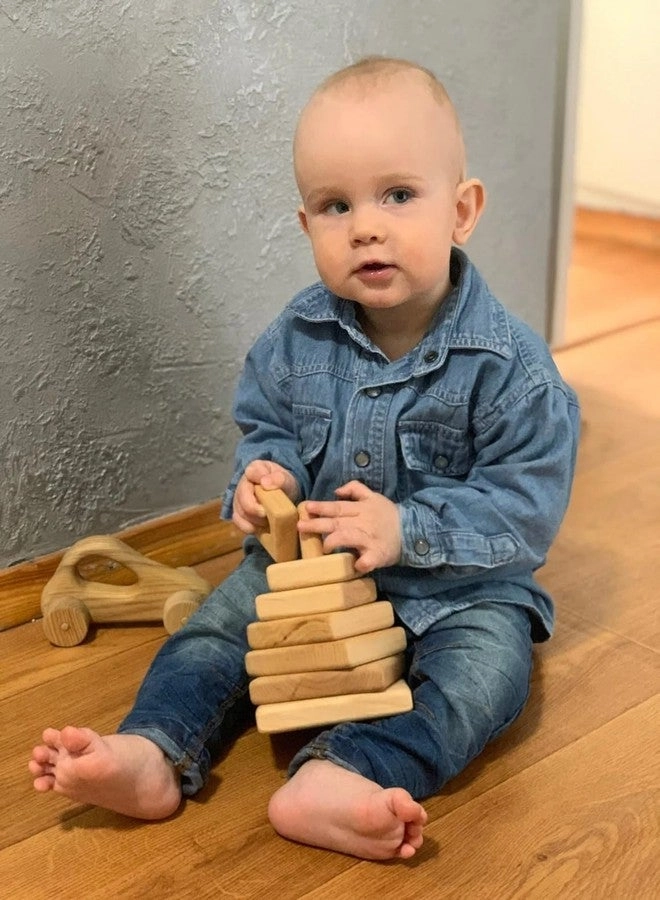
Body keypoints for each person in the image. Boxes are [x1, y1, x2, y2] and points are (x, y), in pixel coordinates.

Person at [29, 56, 580, 861]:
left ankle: (350, 771)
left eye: (398, 195)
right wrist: (266, 476)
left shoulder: (512, 369)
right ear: (306, 226)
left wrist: (410, 527)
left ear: (462, 211)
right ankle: (153, 750)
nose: (365, 225)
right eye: (335, 205)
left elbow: (524, 510)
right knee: (214, 631)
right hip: (312, 570)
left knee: (485, 677)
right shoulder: (295, 340)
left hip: (459, 590)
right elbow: (269, 427)